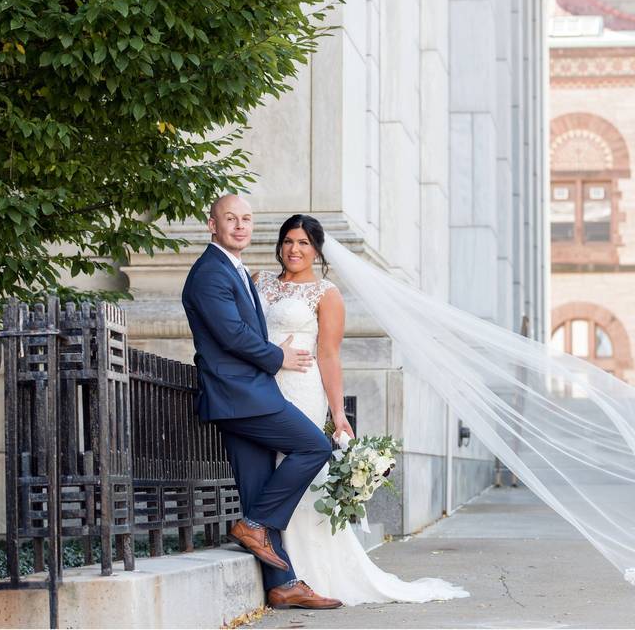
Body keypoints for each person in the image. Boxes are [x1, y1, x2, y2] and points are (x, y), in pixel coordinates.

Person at [251, 214, 470, 605]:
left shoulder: (326, 293)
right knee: (264, 473)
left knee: (303, 477)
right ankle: (277, 564)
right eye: (288, 241)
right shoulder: (259, 282)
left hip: (300, 389)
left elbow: (330, 356)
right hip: (261, 385)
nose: (294, 249)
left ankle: (309, 573)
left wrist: (338, 414)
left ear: (317, 250)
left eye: (303, 243)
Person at [181, 194, 343, 610]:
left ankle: (282, 583)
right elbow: (232, 335)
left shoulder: (235, 270)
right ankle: (253, 527)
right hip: (241, 395)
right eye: (230, 218)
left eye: (247, 219)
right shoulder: (209, 273)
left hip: (249, 393)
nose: (240, 226)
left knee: (256, 491)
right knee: (314, 446)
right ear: (211, 224)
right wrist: (279, 357)